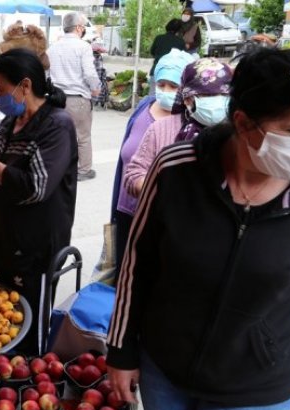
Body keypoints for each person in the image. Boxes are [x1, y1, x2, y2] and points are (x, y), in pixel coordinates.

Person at [107, 47, 290, 410]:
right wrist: (121, 353)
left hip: (257, 389)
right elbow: (136, 264)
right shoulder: (176, 169)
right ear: (243, 122)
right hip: (166, 372)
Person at [0, 48, 77, 355]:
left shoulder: (56, 125)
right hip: (4, 242)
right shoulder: (12, 121)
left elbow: (35, 187)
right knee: (3, 324)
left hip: (35, 249)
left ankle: (28, 375)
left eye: (0, 89)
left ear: (24, 86)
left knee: (28, 331)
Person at [110, 49, 192, 271]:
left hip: (159, 221)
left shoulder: (191, 123)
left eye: (174, 86)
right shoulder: (144, 106)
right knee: (122, 274)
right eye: (161, 84)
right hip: (126, 210)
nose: (165, 91)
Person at [123, 57, 233, 199]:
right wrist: (168, 192)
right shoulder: (160, 129)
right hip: (168, 217)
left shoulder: (239, 133)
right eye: (205, 95)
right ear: (187, 99)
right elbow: (134, 175)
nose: (215, 100)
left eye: (221, 95)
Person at [47, 12, 101, 181]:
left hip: (56, 99)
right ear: (78, 27)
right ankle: (84, 170)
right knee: (82, 136)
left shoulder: (52, 48)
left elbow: (46, 74)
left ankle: (59, 168)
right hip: (77, 99)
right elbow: (89, 73)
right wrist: (96, 88)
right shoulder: (83, 46)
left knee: (58, 135)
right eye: (83, 26)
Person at [148, 19, 186, 94]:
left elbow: (152, 52)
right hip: (172, 74)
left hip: (156, 70)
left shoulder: (159, 38)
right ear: (179, 30)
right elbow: (183, 58)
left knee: (152, 97)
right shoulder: (180, 41)